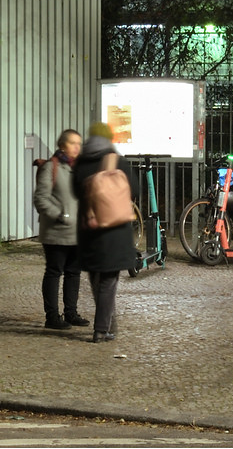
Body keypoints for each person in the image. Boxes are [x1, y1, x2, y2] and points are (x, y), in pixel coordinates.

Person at [72, 121, 137, 343]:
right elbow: (134, 190)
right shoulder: (117, 160)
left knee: (96, 278)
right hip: (114, 230)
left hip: (89, 228)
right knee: (109, 280)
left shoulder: (80, 162)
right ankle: (101, 329)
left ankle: (109, 324)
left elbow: (75, 192)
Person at [31, 128, 88, 330]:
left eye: (79, 143)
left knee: (74, 272)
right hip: (56, 232)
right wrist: (61, 215)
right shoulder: (51, 167)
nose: (77, 147)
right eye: (73, 143)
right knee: (54, 272)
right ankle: (52, 317)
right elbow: (40, 199)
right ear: (62, 145)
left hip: (77, 232)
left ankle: (71, 313)